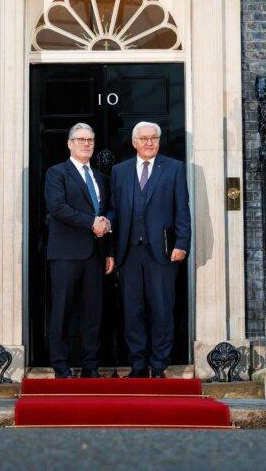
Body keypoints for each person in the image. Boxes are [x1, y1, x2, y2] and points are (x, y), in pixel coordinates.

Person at [106, 121, 191, 378]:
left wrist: (182, 243)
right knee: (133, 311)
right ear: (134, 142)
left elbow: (182, 210)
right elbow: (114, 210)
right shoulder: (120, 171)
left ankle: (159, 364)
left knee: (162, 309)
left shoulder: (174, 168)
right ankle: (138, 365)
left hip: (163, 252)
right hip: (129, 252)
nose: (149, 142)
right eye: (143, 138)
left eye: (154, 137)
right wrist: (109, 246)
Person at [43, 123, 115, 379]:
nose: (86, 144)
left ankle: (90, 366)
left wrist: (108, 238)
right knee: (62, 310)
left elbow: (107, 210)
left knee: (92, 312)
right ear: (70, 143)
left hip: (95, 253)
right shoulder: (56, 173)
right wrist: (91, 223)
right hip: (65, 253)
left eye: (90, 140)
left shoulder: (100, 177)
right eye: (81, 139)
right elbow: (57, 207)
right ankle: (60, 366)